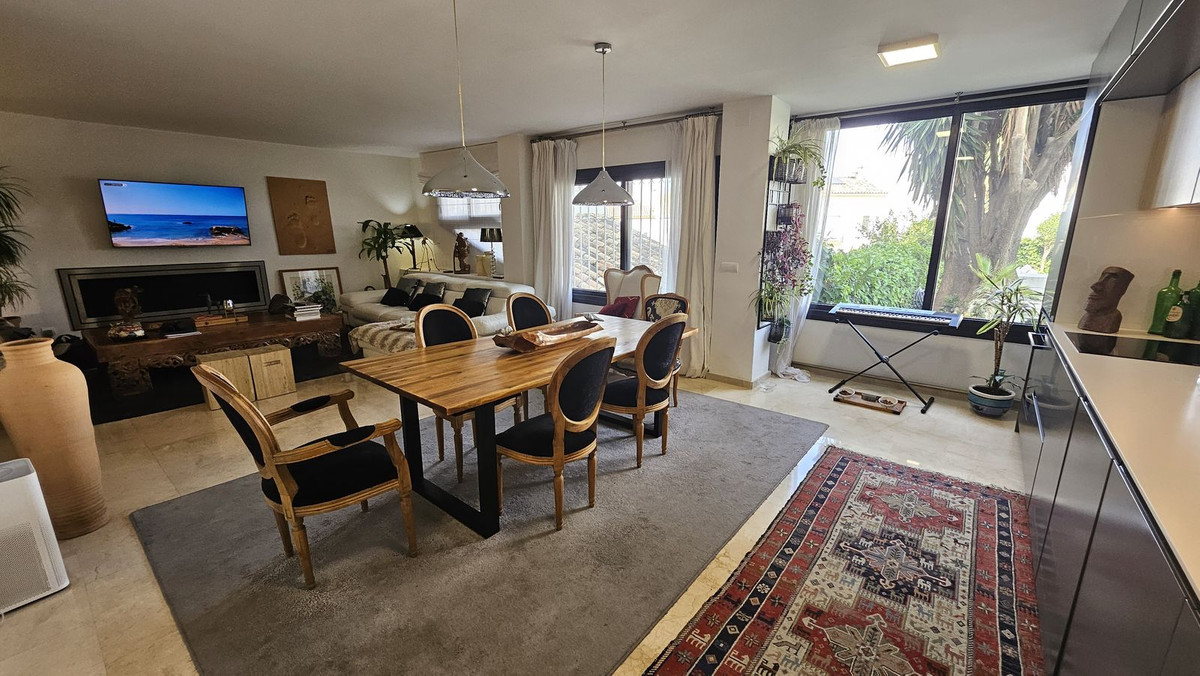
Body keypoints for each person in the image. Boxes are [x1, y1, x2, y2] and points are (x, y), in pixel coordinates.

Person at [1078, 266, 1134, 333]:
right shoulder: (1087, 317)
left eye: (1111, 280)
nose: (1095, 286)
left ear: (1122, 289)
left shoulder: (1112, 320)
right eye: (1101, 278)